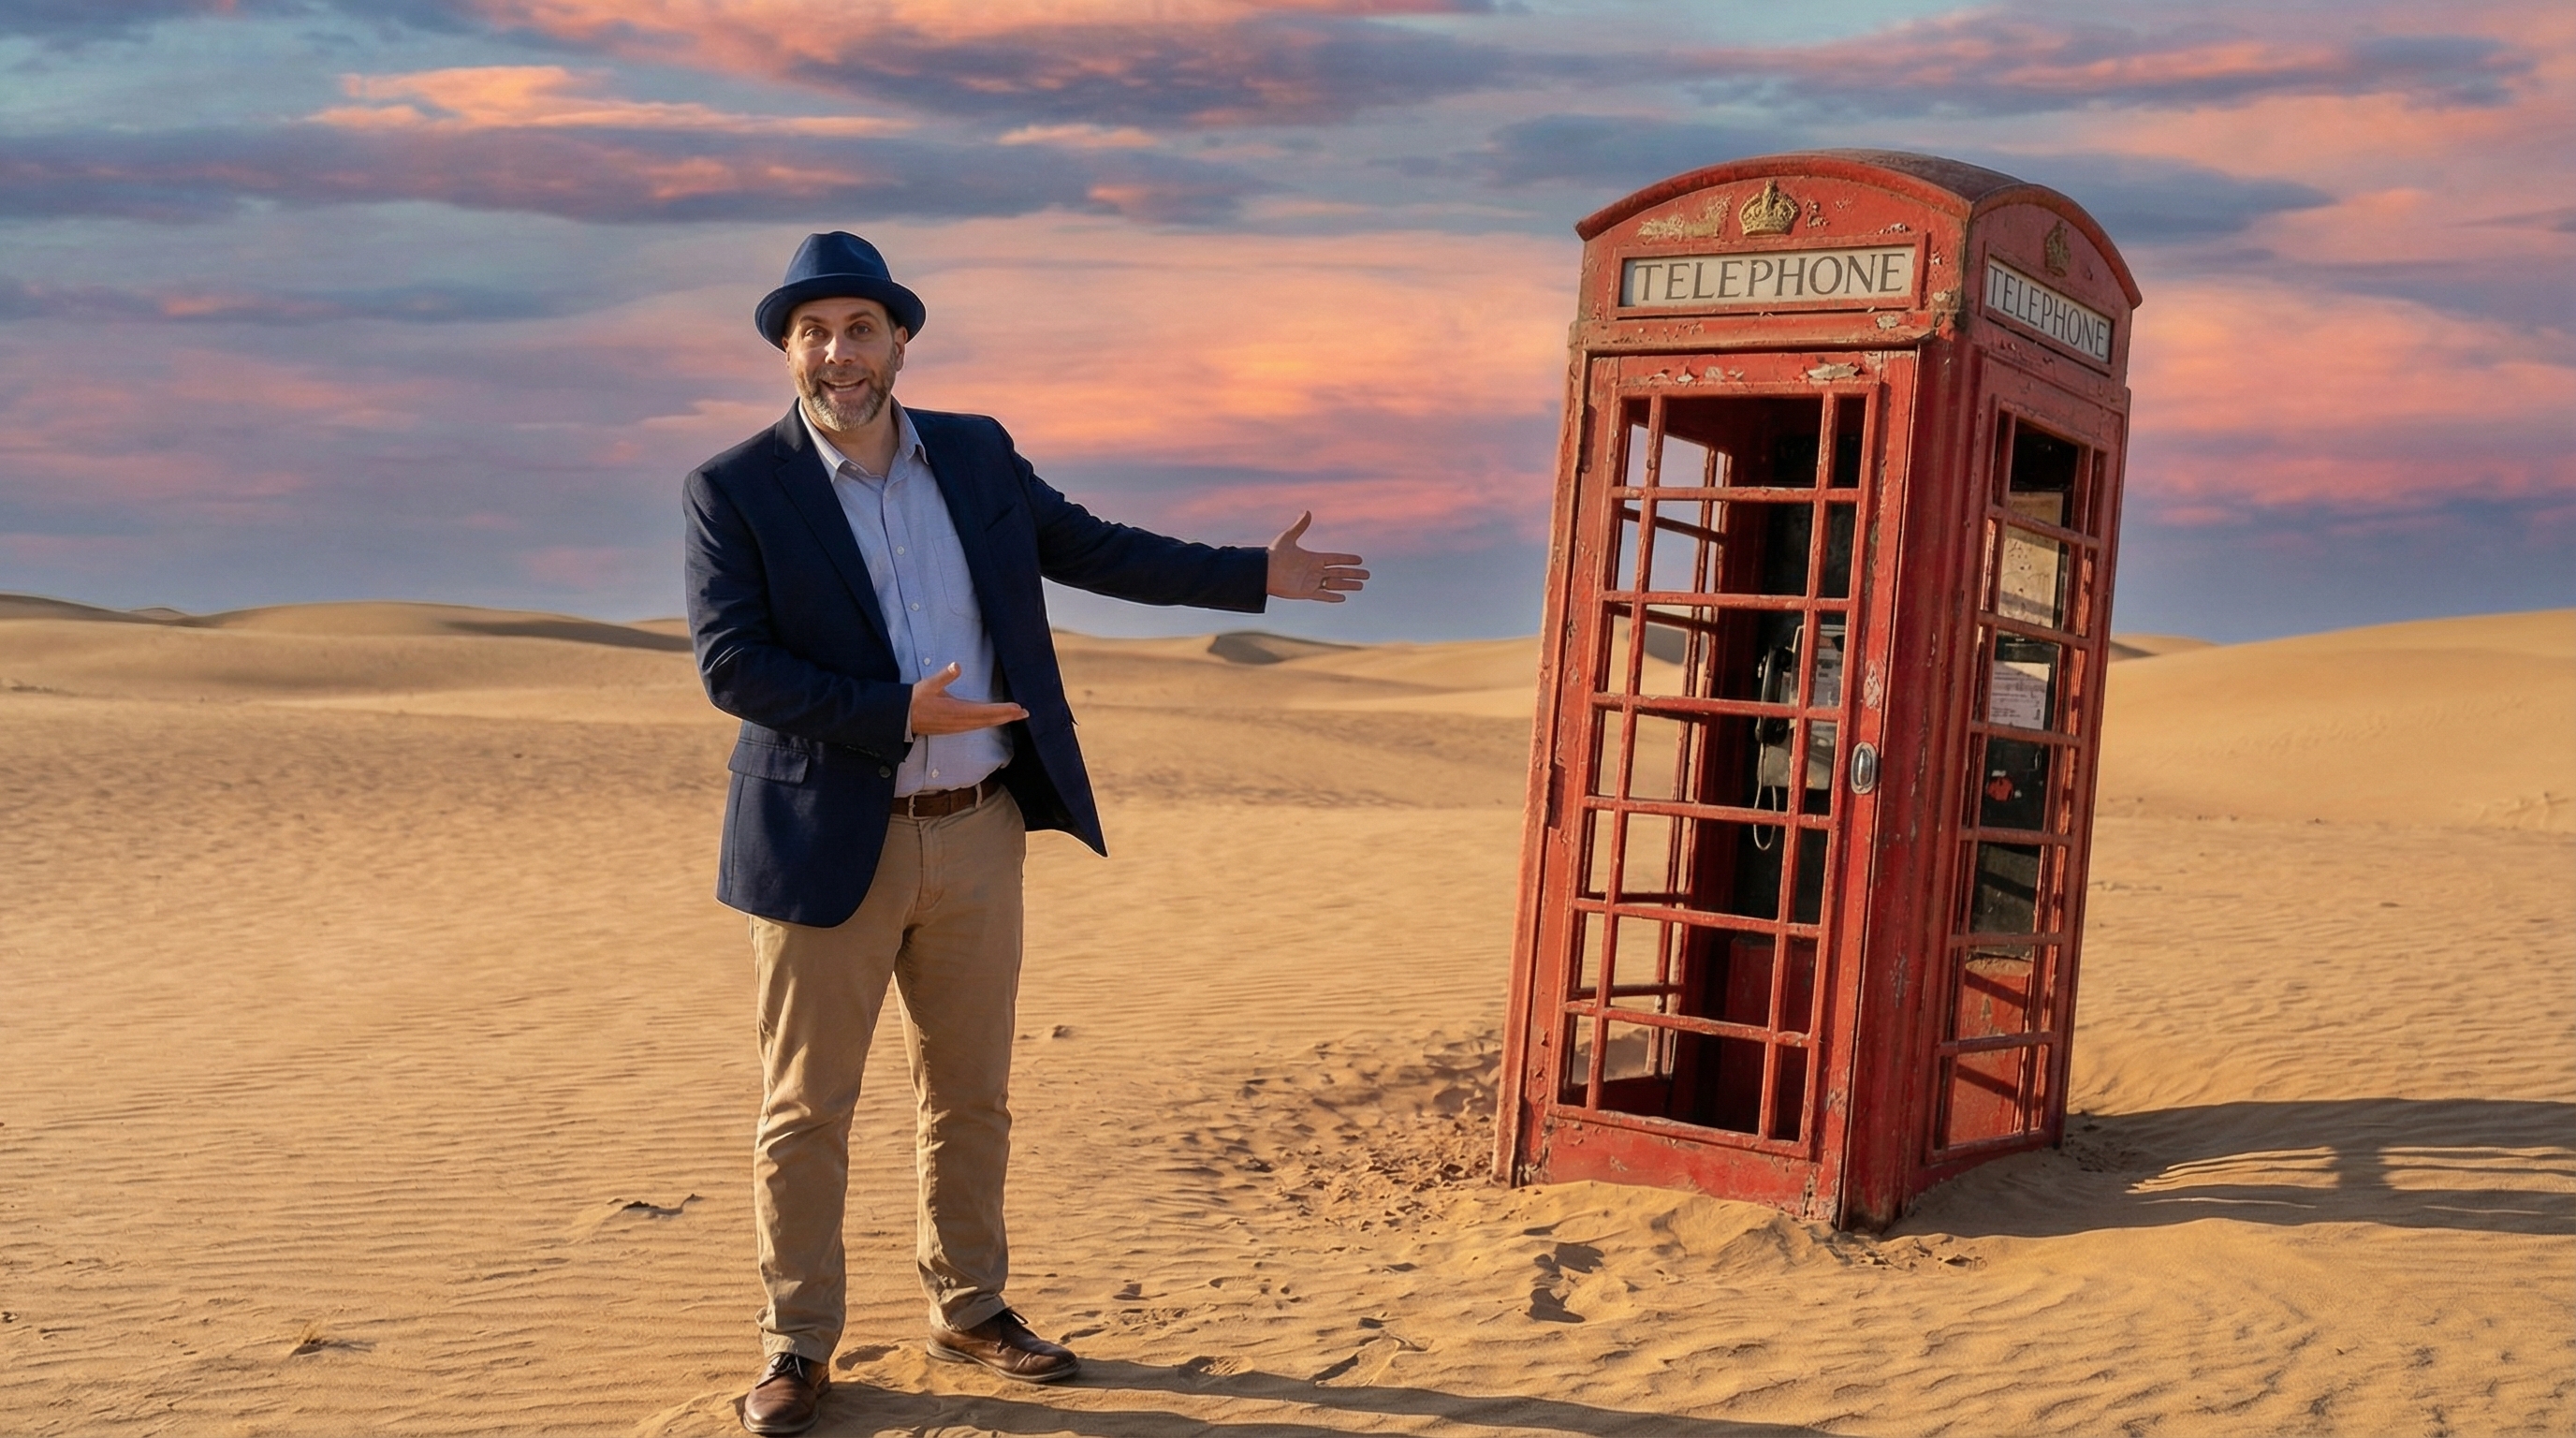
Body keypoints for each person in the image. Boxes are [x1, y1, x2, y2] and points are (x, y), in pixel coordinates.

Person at [681, 231, 1367, 1436]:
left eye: (860, 329)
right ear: (787, 348)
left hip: (979, 828)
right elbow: (734, 666)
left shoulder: (977, 455)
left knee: (971, 1094)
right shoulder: (733, 486)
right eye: (814, 333)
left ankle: (973, 1305)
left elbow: (1098, 549)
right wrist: (895, 712)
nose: (838, 354)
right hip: (824, 842)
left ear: (901, 340)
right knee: (807, 1108)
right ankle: (796, 1342)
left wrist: (1255, 576)